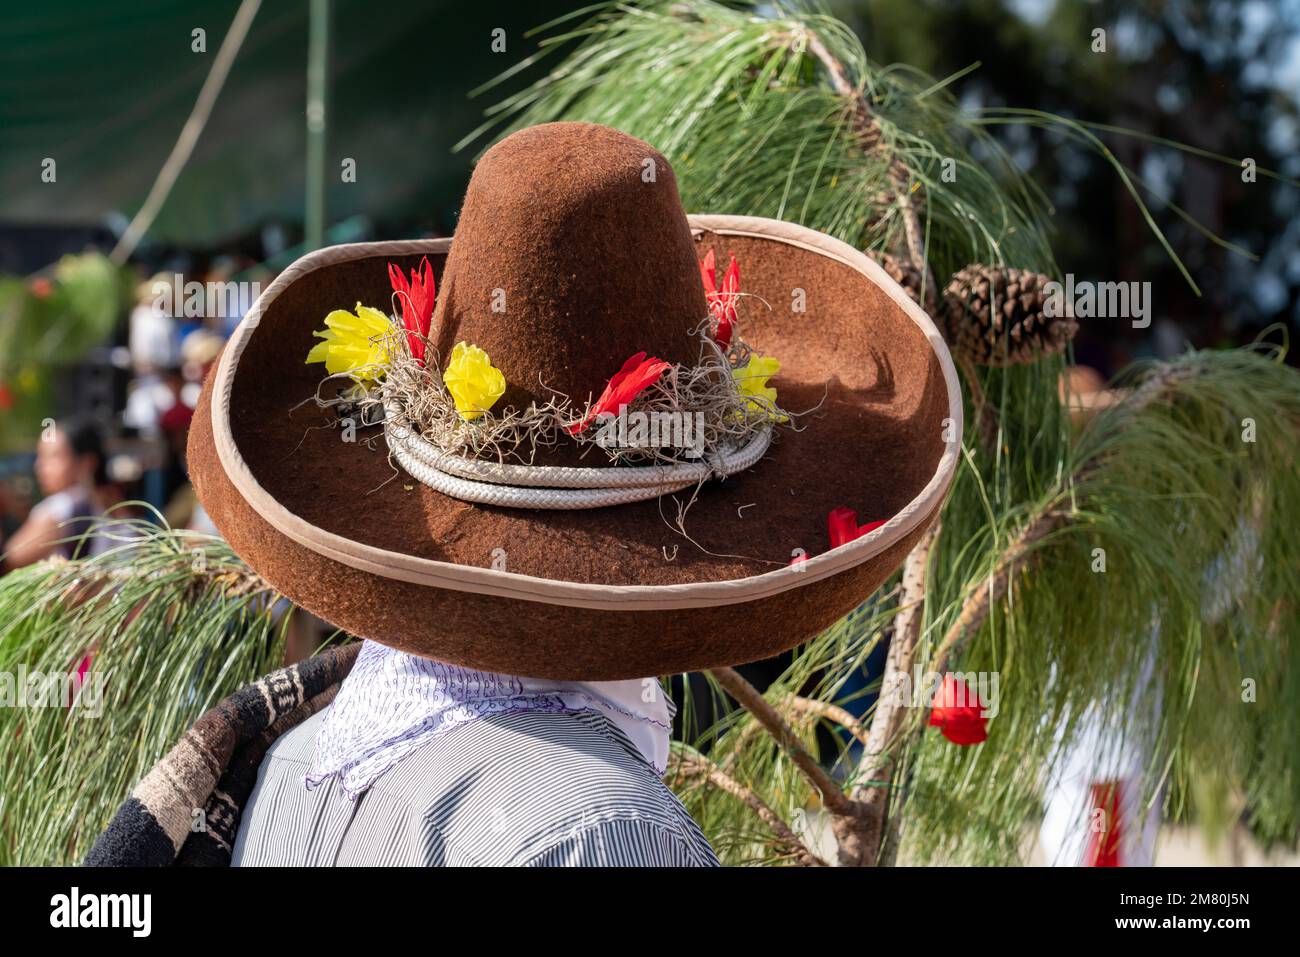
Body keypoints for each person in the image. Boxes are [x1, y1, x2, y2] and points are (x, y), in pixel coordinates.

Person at [1, 418, 109, 569]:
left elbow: (8, 561)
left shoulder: (59, 508)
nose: (39, 466)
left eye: (53, 457)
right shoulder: (113, 502)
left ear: (86, 462)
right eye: (40, 456)